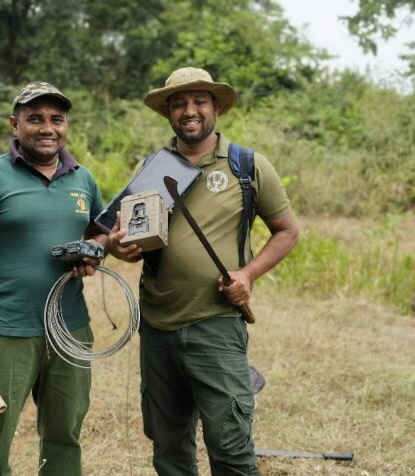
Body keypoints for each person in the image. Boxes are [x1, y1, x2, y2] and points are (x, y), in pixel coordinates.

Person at [107, 67, 301, 475]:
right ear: (168, 113)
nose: (189, 111)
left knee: (229, 445)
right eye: (179, 103)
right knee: (169, 447)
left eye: (199, 101)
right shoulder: (154, 168)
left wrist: (247, 275)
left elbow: (287, 231)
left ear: (216, 108)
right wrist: (122, 249)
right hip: (158, 326)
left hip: (216, 324)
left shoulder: (246, 166)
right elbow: (135, 240)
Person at [0, 81, 108, 476]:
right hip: (7, 334)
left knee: (64, 437)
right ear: (15, 125)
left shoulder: (82, 179)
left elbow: (100, 232)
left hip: (71, 331)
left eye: (57, 119)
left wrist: (95, 252)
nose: (47, 128)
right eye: (35, 118)